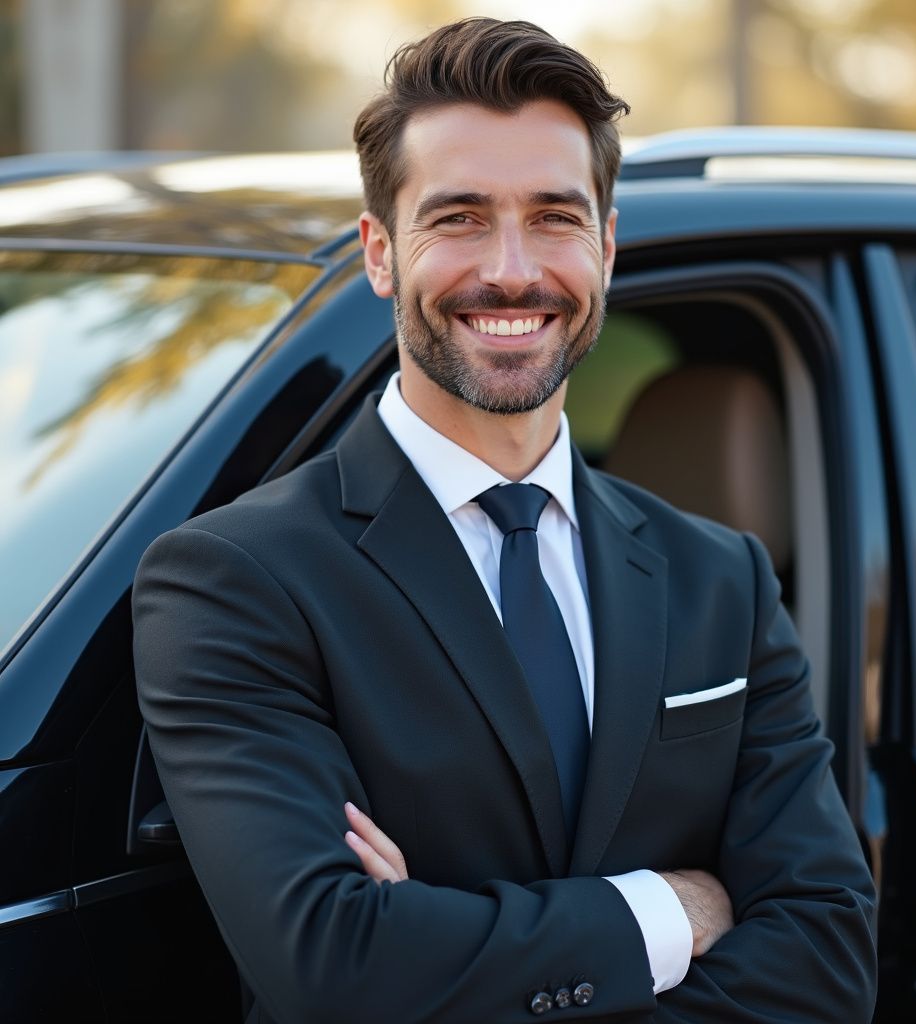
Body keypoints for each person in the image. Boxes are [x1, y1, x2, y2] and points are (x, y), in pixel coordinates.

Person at [132, 17, 876, 1024]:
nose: (514, 271)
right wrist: (672, 907)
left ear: (605, 249)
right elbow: (335, 962)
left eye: (555, 217)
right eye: (460, 218)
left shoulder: (722, 580)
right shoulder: (235, 580)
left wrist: (432, 940)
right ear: (380, 253)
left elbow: (829, 957)